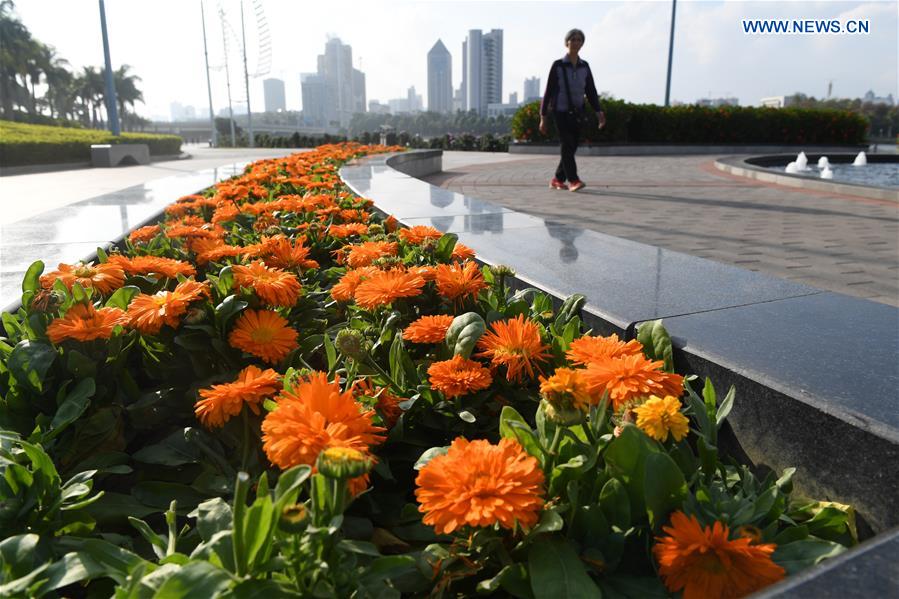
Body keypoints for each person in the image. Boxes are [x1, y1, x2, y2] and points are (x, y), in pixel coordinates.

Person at [539, 28, 605, 192]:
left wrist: (599, 112)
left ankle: (557, 178)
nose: (576, 42)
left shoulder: (585, 66)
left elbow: (590, 91)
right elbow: (548, 91)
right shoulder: (558, 65)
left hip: (578, 113)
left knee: (571, 147)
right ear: (566, 42)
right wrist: (543, 117)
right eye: (573, 39)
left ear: (582, 43)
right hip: (560, 112)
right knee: (567, 144)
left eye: (579, 40)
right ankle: (573, 180)